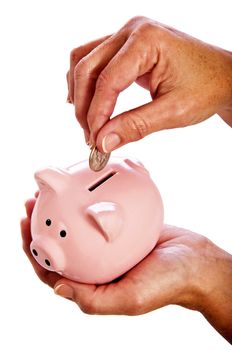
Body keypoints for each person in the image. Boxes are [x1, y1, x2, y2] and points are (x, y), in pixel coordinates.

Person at [21, 16, 232, 344]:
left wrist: (212, 283)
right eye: (55, 228)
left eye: (56, 230)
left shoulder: (110, 213)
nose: (47, 239)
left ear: (106, 222)